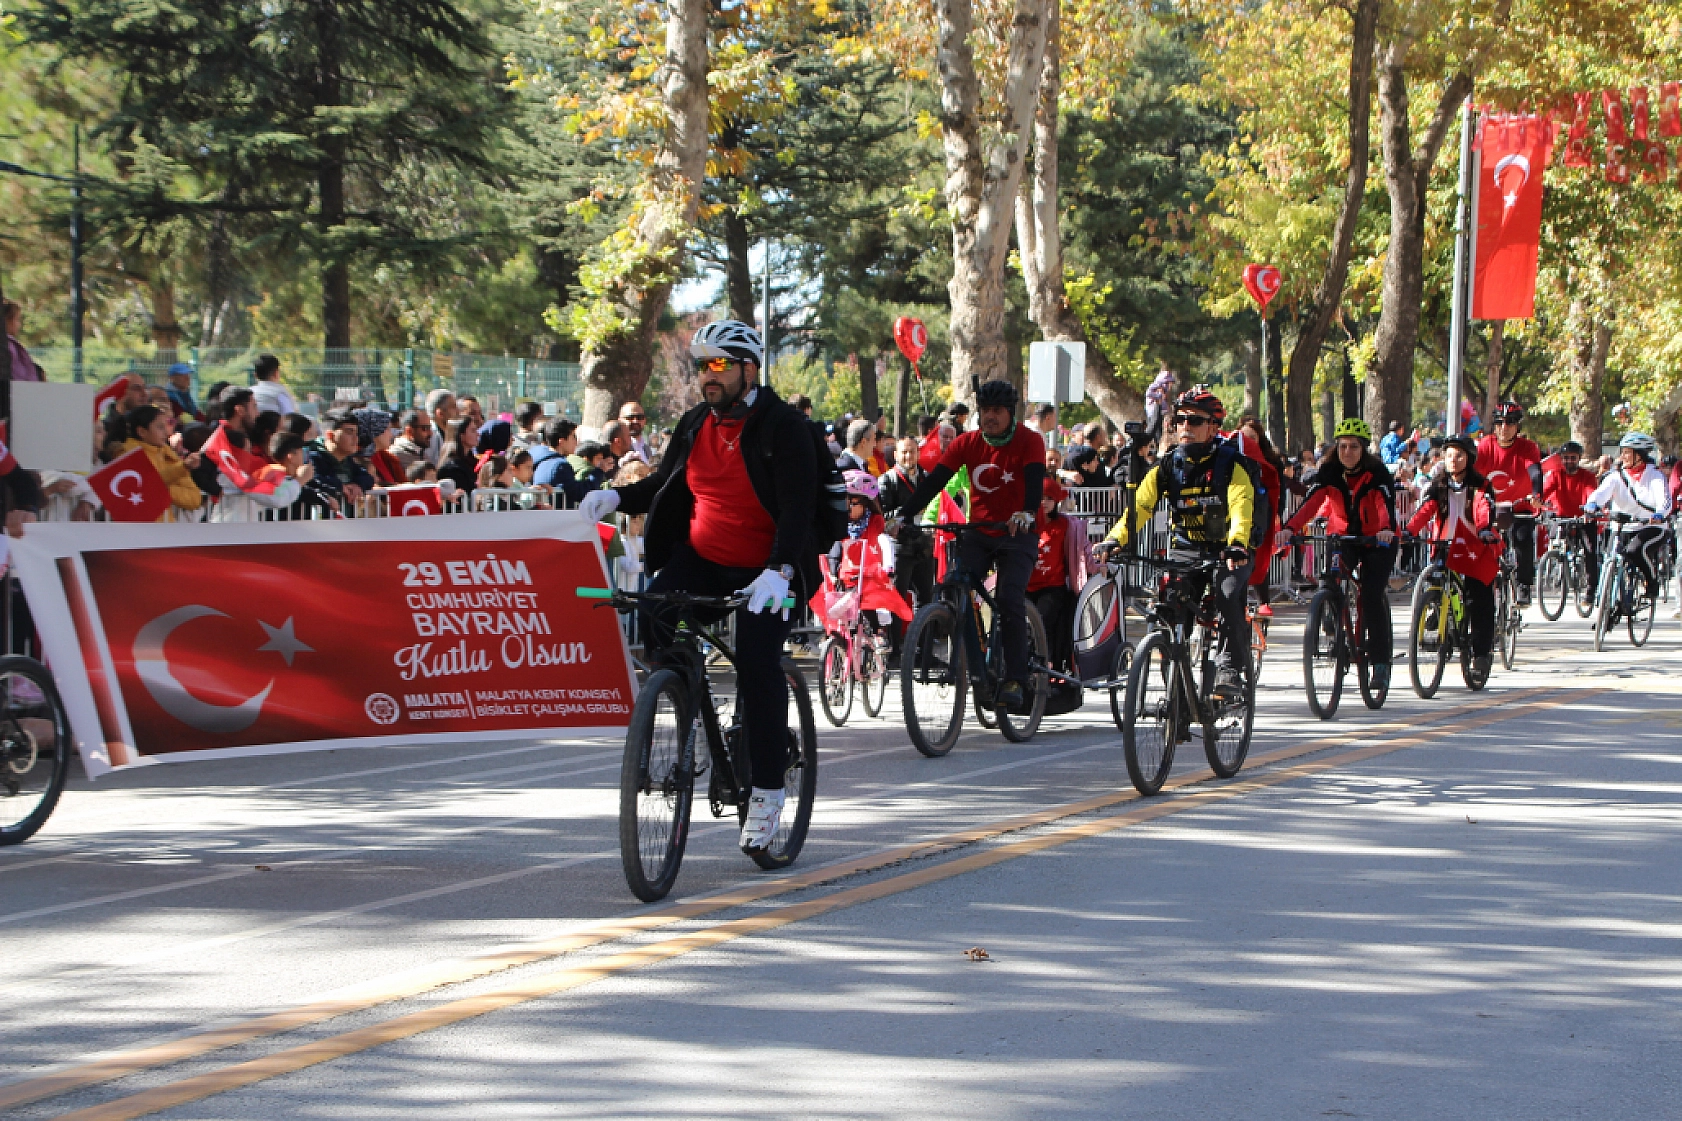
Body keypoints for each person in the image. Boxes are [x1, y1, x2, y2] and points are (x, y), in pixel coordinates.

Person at [577, 319, 817, 853]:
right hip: (706, 559)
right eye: (700, 366)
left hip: (770, 569)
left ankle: (768, 789)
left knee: (757, 659)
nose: (707, 376)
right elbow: (667, 483)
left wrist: (779, 570)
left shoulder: (782, 427)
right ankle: (687, 701)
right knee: (659, 610)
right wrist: (616, 498)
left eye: (718, 365)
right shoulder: (695, 423)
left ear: (748, 369)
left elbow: (799, 508)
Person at [890, 378, 1045, 712]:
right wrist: (904, 514)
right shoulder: (967, 443)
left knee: (1007, 597)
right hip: (980, 531)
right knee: (952, 585)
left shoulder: (1029, 441)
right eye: (984, 410)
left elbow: (1034, 484)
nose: (989, 417)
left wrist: (1027, 512)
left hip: (1019, 532)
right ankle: (972, 662)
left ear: (1010, 413)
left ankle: (1017, 676)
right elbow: (934, 481)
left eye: (996, 411)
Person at [1096, 385, 1255, 699]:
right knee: (1168, 611)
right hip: (1186, 549)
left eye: (1194, 421)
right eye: (1179, 420)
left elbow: (1241, 507)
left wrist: (1237, 543)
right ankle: (1177, 699)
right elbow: (1140, 507)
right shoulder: (1168, 466)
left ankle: (1230, 667)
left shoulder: (1232, 465)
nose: (1184, 426)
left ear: (1213, 426)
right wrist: (1114, 539)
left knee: (1226, 594)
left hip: (1227, 551)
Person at [1282, 418, 1399, 689]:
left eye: (1354, 447)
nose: (1348, 452)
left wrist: (1384, 530)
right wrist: (1289, 529)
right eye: (1343, 446)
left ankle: (1380, 664)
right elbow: (1312, 503)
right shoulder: (1329, 471)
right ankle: (1332, 624)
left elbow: (1384, 508)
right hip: (1343, 536)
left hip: (1376, 540)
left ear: (1364, 449)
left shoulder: (1378, 473)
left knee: (1370, 596)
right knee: (1328, 581)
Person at [1405, 435, 1500, 681]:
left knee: (1478, 596)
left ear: (1469, 459)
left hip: (1473, 547)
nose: (1453, 460)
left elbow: (1483, 509)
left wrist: (1484, 530)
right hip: (1445, 546)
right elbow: (1425, 511)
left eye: (1459, 456)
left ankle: (1481, 652)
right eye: (1449, 455)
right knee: (1434, 580)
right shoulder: (1437, 486)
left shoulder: (1481, 486)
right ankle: (1434, 618)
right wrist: (1409, 531)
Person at [1583, 432, 1672, 608]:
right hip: (1622, 526)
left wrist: (1660, 513)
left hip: (1651, 527)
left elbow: (1664, 499)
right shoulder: (1616, 476)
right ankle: (1607, 604)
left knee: (1635, 550)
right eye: (1622, 451)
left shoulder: (1654, 475)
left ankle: (1651, 582)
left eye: (1627, 452)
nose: (1622, 456)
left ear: (1640, 455)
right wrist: (1592, 505)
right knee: (1610, 557)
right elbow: (1600, 493)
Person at [1477, 401, 1543, 604]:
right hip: (1489, 507)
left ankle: (1523, 585)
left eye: (1510, 423)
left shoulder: (1528, 447)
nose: (1504, 428)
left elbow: (1535, 471)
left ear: (1518, 427)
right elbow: (1474, 474)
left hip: (1519, 506)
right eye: (1500, 423)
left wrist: (1536, 494)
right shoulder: (1486, 445)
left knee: (1522, 538)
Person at [877, 435, 937, 661]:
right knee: (896, 599)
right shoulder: (888, 480)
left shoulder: (928, 479)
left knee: (926, 600)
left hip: (924, 546)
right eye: (904, 452)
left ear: (919, 453)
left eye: (912, 451)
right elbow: (885, 516)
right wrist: (910, 513)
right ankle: (894, 651)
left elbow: (939, 504)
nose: (908, 456)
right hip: (900, 548)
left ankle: (925, 652)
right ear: (895, 455)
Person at [1027, 477, 1089, 685]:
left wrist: (1097, 566)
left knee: (1044, 624)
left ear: (1056, 502)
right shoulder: (1025, 524)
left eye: (1049, 498)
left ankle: (1048, 666)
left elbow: (1083, 552)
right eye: (1040, 498)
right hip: (1026, 586)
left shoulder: (1066, 525)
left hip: (1052, 587)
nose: (1043, 502)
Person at [120, 406, 203, 518]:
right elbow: (148, 482)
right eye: (160, 427)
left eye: (166, 426)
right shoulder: (126, 455)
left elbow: (194, 499)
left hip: (164, 527)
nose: (166, 432)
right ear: (142, 432)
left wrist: (162, 489)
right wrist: (181, 469)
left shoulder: (169, 455)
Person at [1541, 439, 1601, 579]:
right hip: (1562, 518)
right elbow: (1545, 490)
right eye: (1566, 458)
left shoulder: (1588, 476)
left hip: (1583, 518)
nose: (1569, 461)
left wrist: (1589, 509)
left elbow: (1590, 492)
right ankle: (1556, 567)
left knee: (1590, 550)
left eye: (1573, 458)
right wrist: (1538, 499)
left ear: (1579, 458)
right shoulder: (1556, 475)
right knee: (1553, 539)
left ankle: (1590, 590)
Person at [308, 412, 374, 512]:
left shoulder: (348, 461)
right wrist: (339, 487)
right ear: (330, 435)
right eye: (349, 432)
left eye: (356, 433)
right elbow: (312, 480)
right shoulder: (311, 457)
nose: (356, 439)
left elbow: (367, 478)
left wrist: (358, 485)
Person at [531, 417, 602, 503]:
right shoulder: (560, 466)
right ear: (562, 441)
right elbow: (579, 493)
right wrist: (599, 472)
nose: (576, 442)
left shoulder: (539, 460)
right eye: (573, 437)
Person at [353, 408, 403, 486]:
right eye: (387, 429)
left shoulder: (386, 458)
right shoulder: (354, 463)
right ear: (374, 431)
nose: (391, 435)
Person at [436, 417, 479, 496]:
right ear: (461, 436)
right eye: (473, 431)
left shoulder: (472, 461)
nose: (478, 434)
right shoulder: (451, 468)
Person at [424, 389, 458, 465]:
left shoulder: (452, 432)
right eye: (453, 407)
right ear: (440, 413)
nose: (458, 411)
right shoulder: (430, 436)